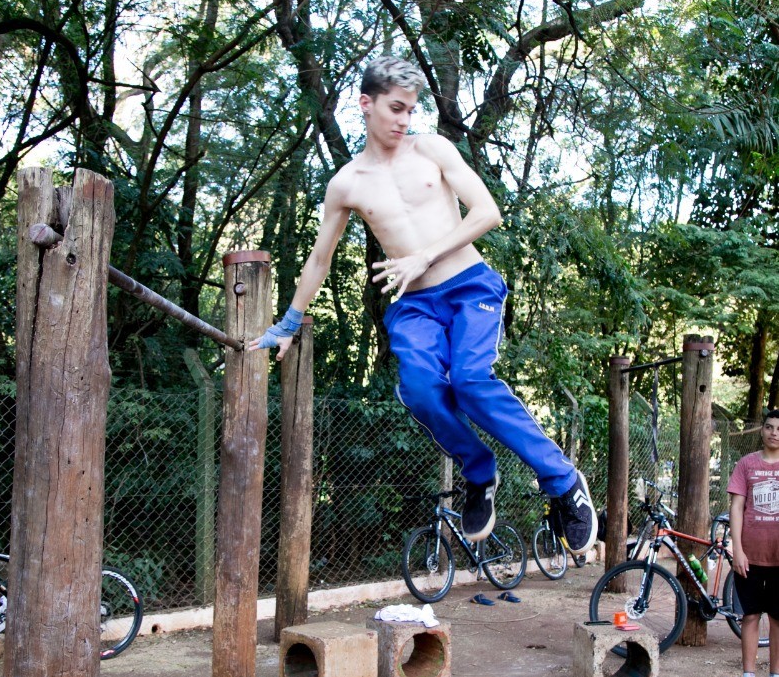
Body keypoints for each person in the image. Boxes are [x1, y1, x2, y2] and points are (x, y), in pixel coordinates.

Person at [249, 55, 597, 552]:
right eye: (395, 108)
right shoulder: (346, 184)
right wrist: (288, 322)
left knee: (472, 380)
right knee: (420, 389)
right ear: (365, 104)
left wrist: (424, 257)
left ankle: (563, 482)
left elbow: (487, 213)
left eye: (411, 110)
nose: (404, 120)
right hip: (415, 305)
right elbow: (319, 259)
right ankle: (479, 473)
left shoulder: (432, 149)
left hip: (469, 285)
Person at [725, 408, 779, 677]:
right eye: (769, 427)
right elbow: (736, 507)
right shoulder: (746, 464)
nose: (774, 433)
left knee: (778, 619)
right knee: (750, 616)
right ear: (762, 430)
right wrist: (738, 550)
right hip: (751, 556)